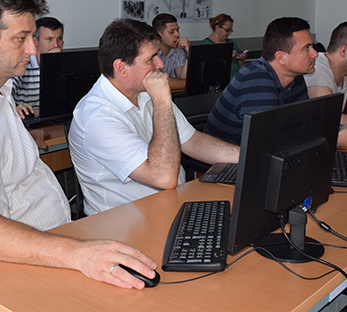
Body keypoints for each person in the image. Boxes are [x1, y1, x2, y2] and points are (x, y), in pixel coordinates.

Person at [0, 0, 157, 308]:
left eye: (32, 37)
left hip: (38, 251)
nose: (32, 49)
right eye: (21, 39)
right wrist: (79, 254)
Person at [68, 19, 239, 216]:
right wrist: (162, 102)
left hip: (170, 206)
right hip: (123, 223)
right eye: (151, 59)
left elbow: (193, 141)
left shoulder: (144, 92)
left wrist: (246, 156)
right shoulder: (97, 118)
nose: (160, 64)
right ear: (121, 68)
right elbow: (163, 177)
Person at [203, 17, 347, 149]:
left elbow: (303, 128)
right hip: (222, 169)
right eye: (307, 48)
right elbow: (268, 145)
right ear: (281, 57)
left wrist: (341, 132)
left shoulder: (296, 78)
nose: (315, 54)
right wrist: (335, 141)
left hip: (258, 163)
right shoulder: (256, 79)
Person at [12, 16, 64, 115]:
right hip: (29, 119)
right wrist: (15, 107)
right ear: (35, 41)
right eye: (49, 39)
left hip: (55, 118)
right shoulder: (23, 63)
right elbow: (6, 92)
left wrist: (56, 63)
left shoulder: (66, 63)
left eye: (59, 38)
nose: (56, 45)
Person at [201, 13, 246, 79]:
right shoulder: (206, 45)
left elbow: (241, 66)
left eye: (230, 31)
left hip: (237, 79)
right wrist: (226, 56)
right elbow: (209, 71)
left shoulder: (231, 43)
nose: (229, 33)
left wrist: (241, 60)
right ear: (217, 28)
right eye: (227, 30)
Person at [152, 13, 189, 90]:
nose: (178, 34)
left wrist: (189, 53)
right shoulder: (150, 50)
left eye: (177, 30)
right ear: (159, 35)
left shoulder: (178, 50)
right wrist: (189, 84)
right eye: (172, 32)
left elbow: (182, 77)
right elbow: (159, 81)